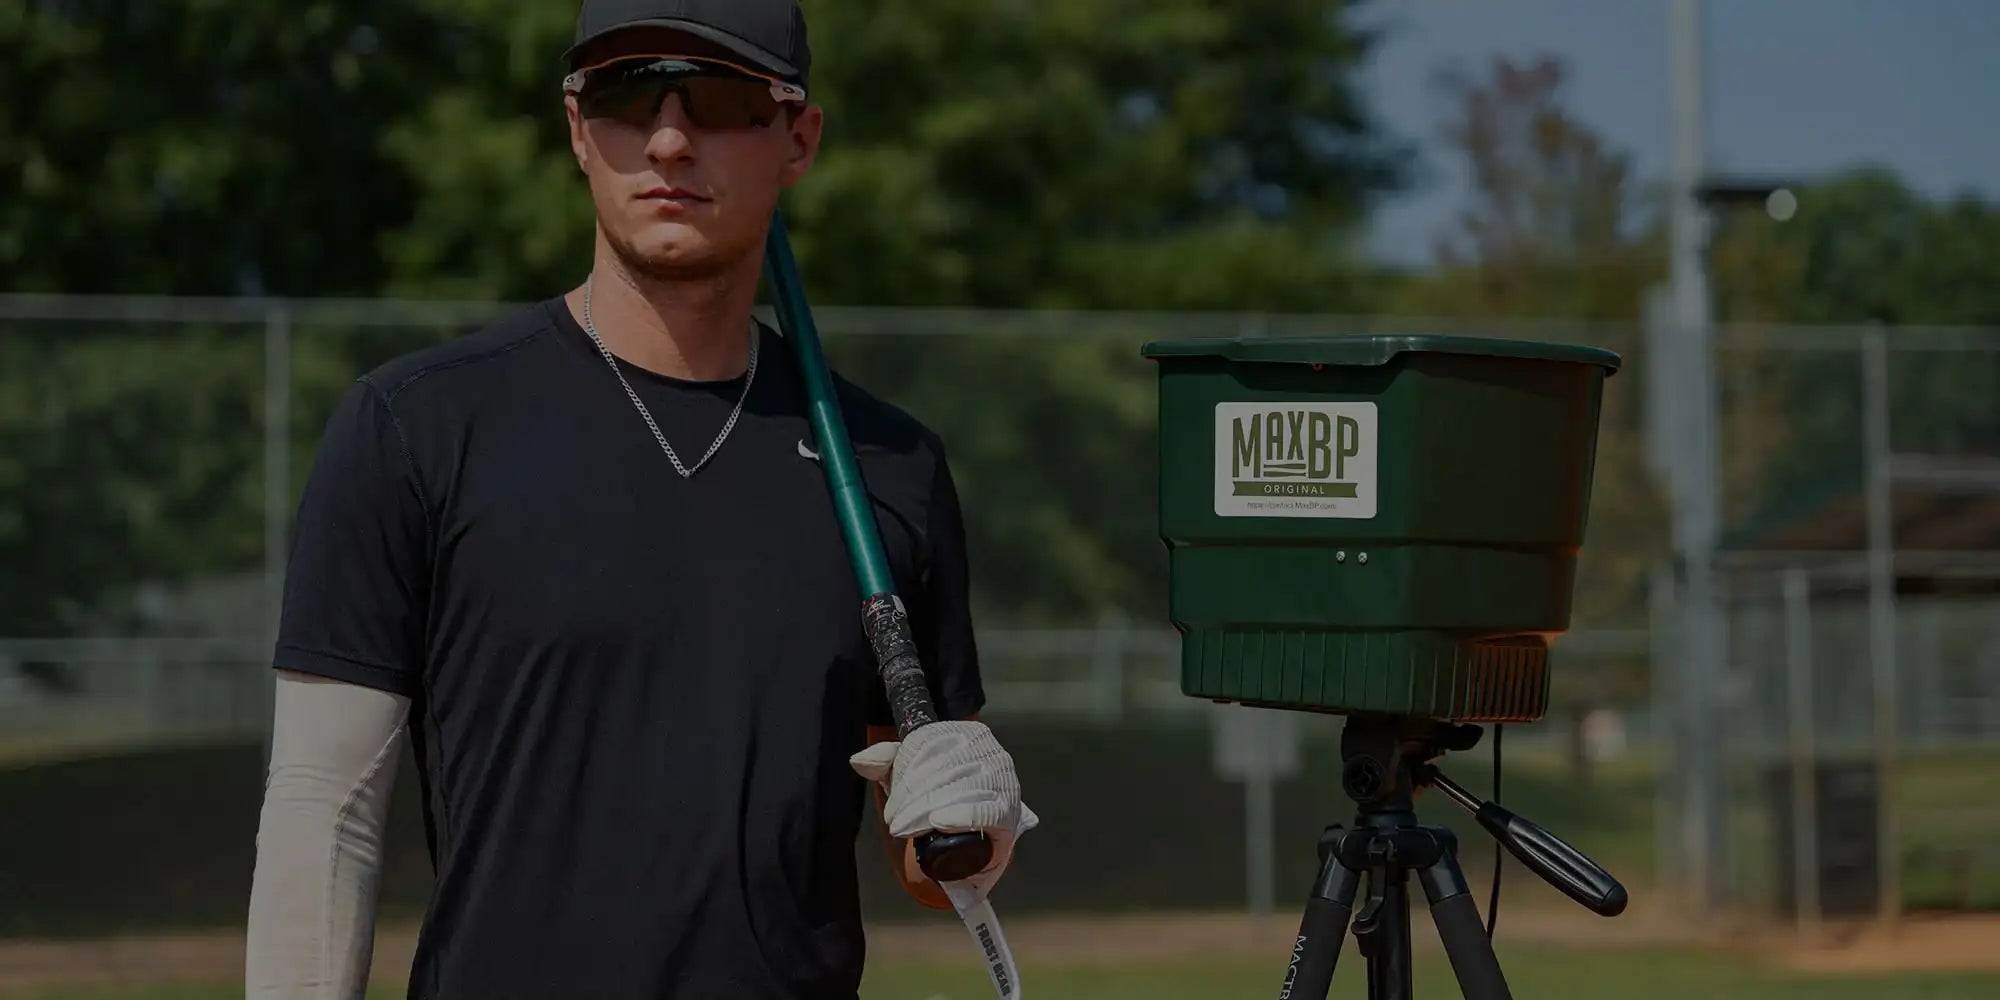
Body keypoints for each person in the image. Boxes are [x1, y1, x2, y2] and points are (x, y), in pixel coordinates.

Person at [244, 2, 1031, 997]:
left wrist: (981, 825)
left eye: (720, 99)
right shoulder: (416, 428)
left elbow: (930, 856)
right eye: (625, 94)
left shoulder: (890, 464)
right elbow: (325, 810)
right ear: (578, 129)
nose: (667, 139)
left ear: (798, 138)